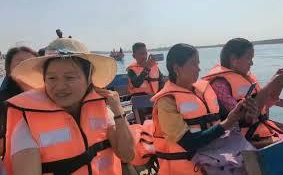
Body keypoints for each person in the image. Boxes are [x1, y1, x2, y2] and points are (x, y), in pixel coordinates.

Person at [2, 38, 134, 175]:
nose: (60, 87)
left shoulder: (103, 110)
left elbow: (127, 155)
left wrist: (118, 110)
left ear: (89, 78)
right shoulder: (27, 127)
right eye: (52, 78)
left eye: (70, 77)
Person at [151, 43, 257, 175]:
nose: (198, 69)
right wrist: (226, 124)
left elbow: (225, 118)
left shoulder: (203, 90)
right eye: (193, 64)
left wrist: (245, 118)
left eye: (198, 64)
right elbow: (188, 142)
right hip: (188, 165)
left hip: (216, 157)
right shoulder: (166, 102)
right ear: (177, 68)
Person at [202, 38, 283, 148]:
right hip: (243, 142)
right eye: (249, 58)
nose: (252, 63)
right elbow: (245, 116)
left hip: (265, 134)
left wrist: (279, 83)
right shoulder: (219, 85)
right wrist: (271, 83)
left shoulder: (247, 78)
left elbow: (265, 106)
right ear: (234, 59)